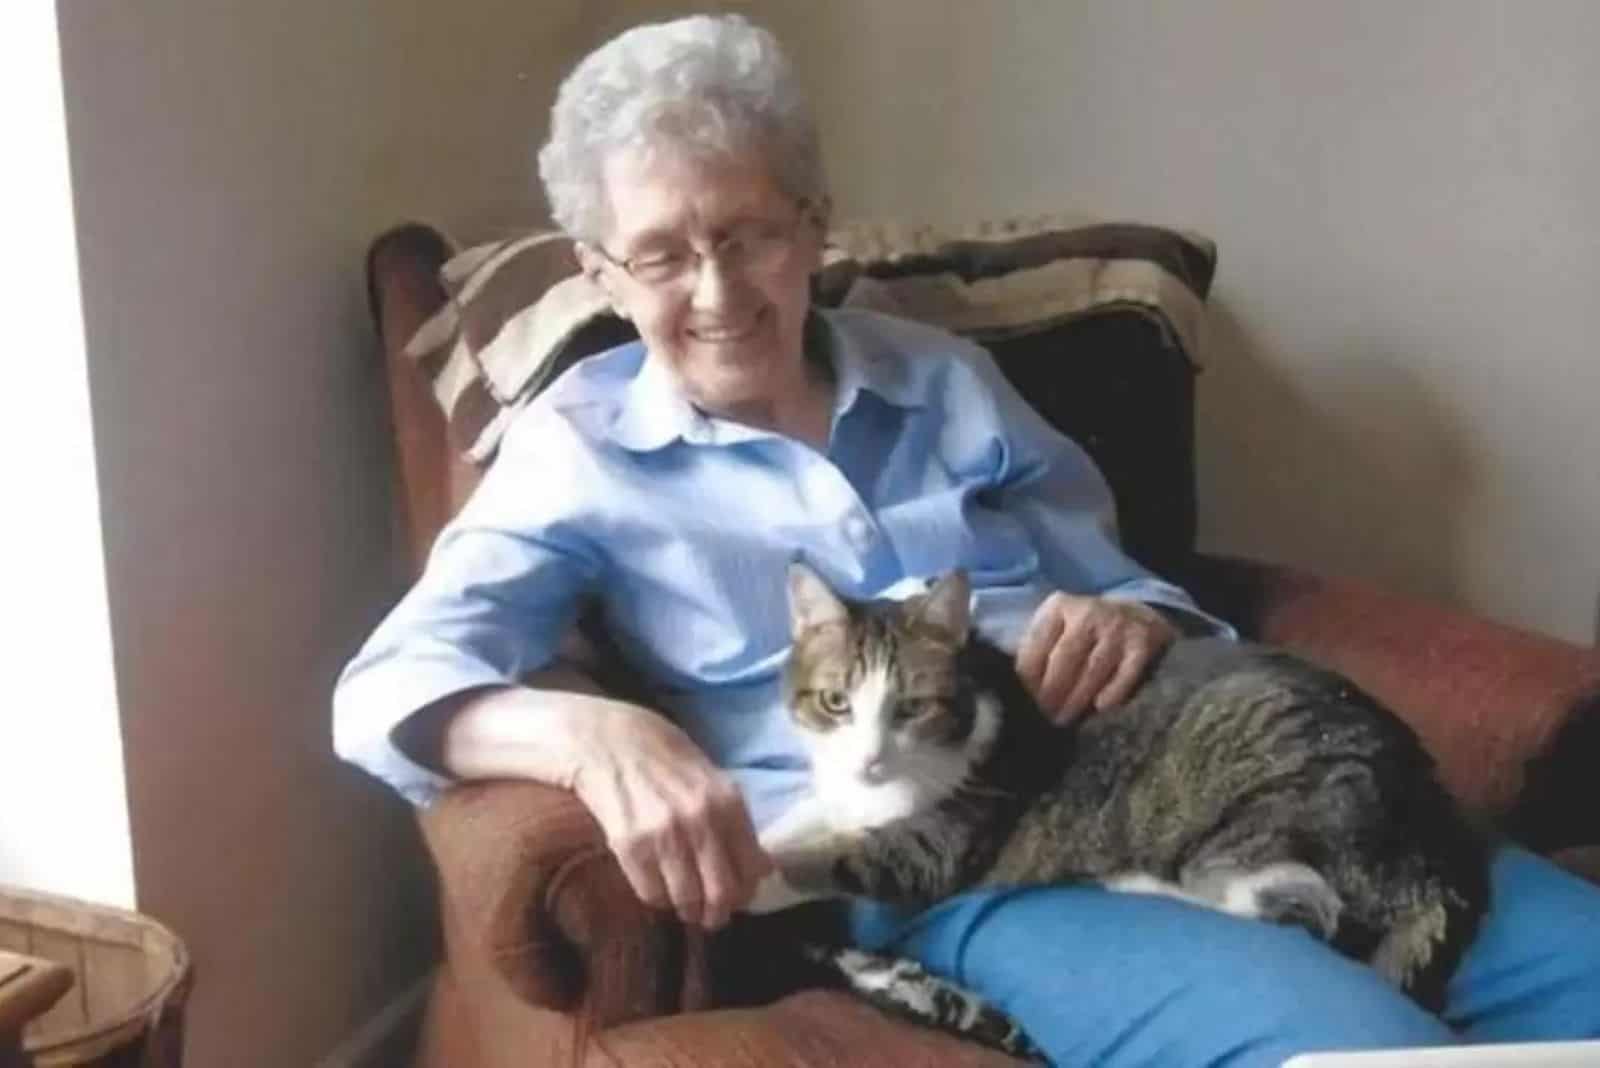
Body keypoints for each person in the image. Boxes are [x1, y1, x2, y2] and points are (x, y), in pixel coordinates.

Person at [334, 14, 1600, 1066]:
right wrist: (593, 729)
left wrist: (1128, 616)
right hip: (975, 864)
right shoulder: (579, 452)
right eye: (663, 255)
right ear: (602, 273)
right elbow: (386, 689)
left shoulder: (943, 380)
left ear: (813, 225)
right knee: (1357, 1050)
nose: (717, 293)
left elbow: (1130, 585)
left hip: (1150, 766)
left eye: (750, 235)